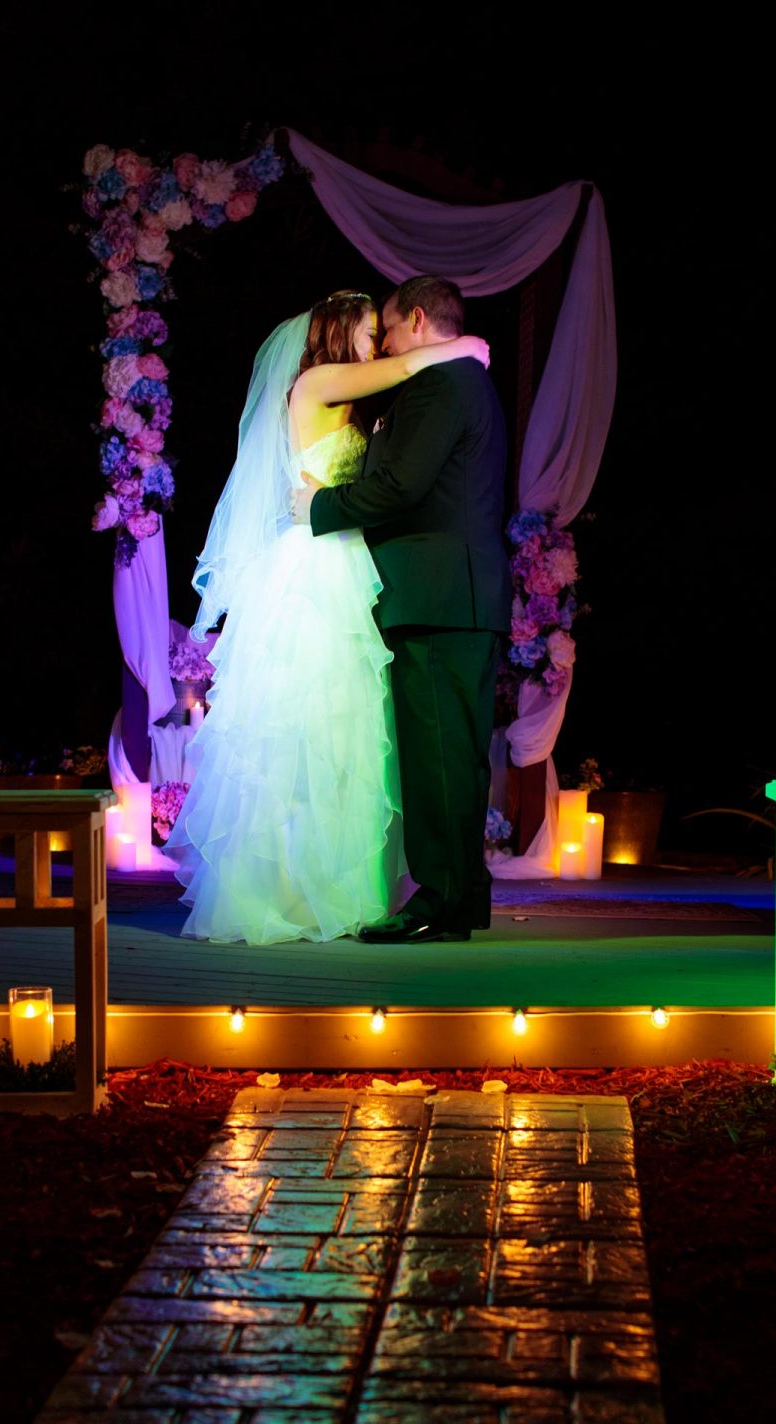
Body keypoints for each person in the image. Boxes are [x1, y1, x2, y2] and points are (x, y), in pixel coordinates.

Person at [165, 291, 490, 943]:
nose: (381, 342)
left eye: (384, 330)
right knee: (298, 728)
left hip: (348, 569)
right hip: (310, 570)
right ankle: (284, 890)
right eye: (371, 331)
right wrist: (461, 346)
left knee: (345, 735)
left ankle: (339, 885)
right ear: (343, 334)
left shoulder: (357, 399)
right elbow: (403, 369)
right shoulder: (319, 381)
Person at [293, 276, 510, 943]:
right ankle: (464, 895)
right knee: (461, 753)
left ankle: (439, 903)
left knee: (438, 754)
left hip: (438, 593)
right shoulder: (463, 380)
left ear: (416, 319)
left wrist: (320, 509)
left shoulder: (443, 385)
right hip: (458, 594)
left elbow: (402, 484)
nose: (384, 347)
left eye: (387, 331)